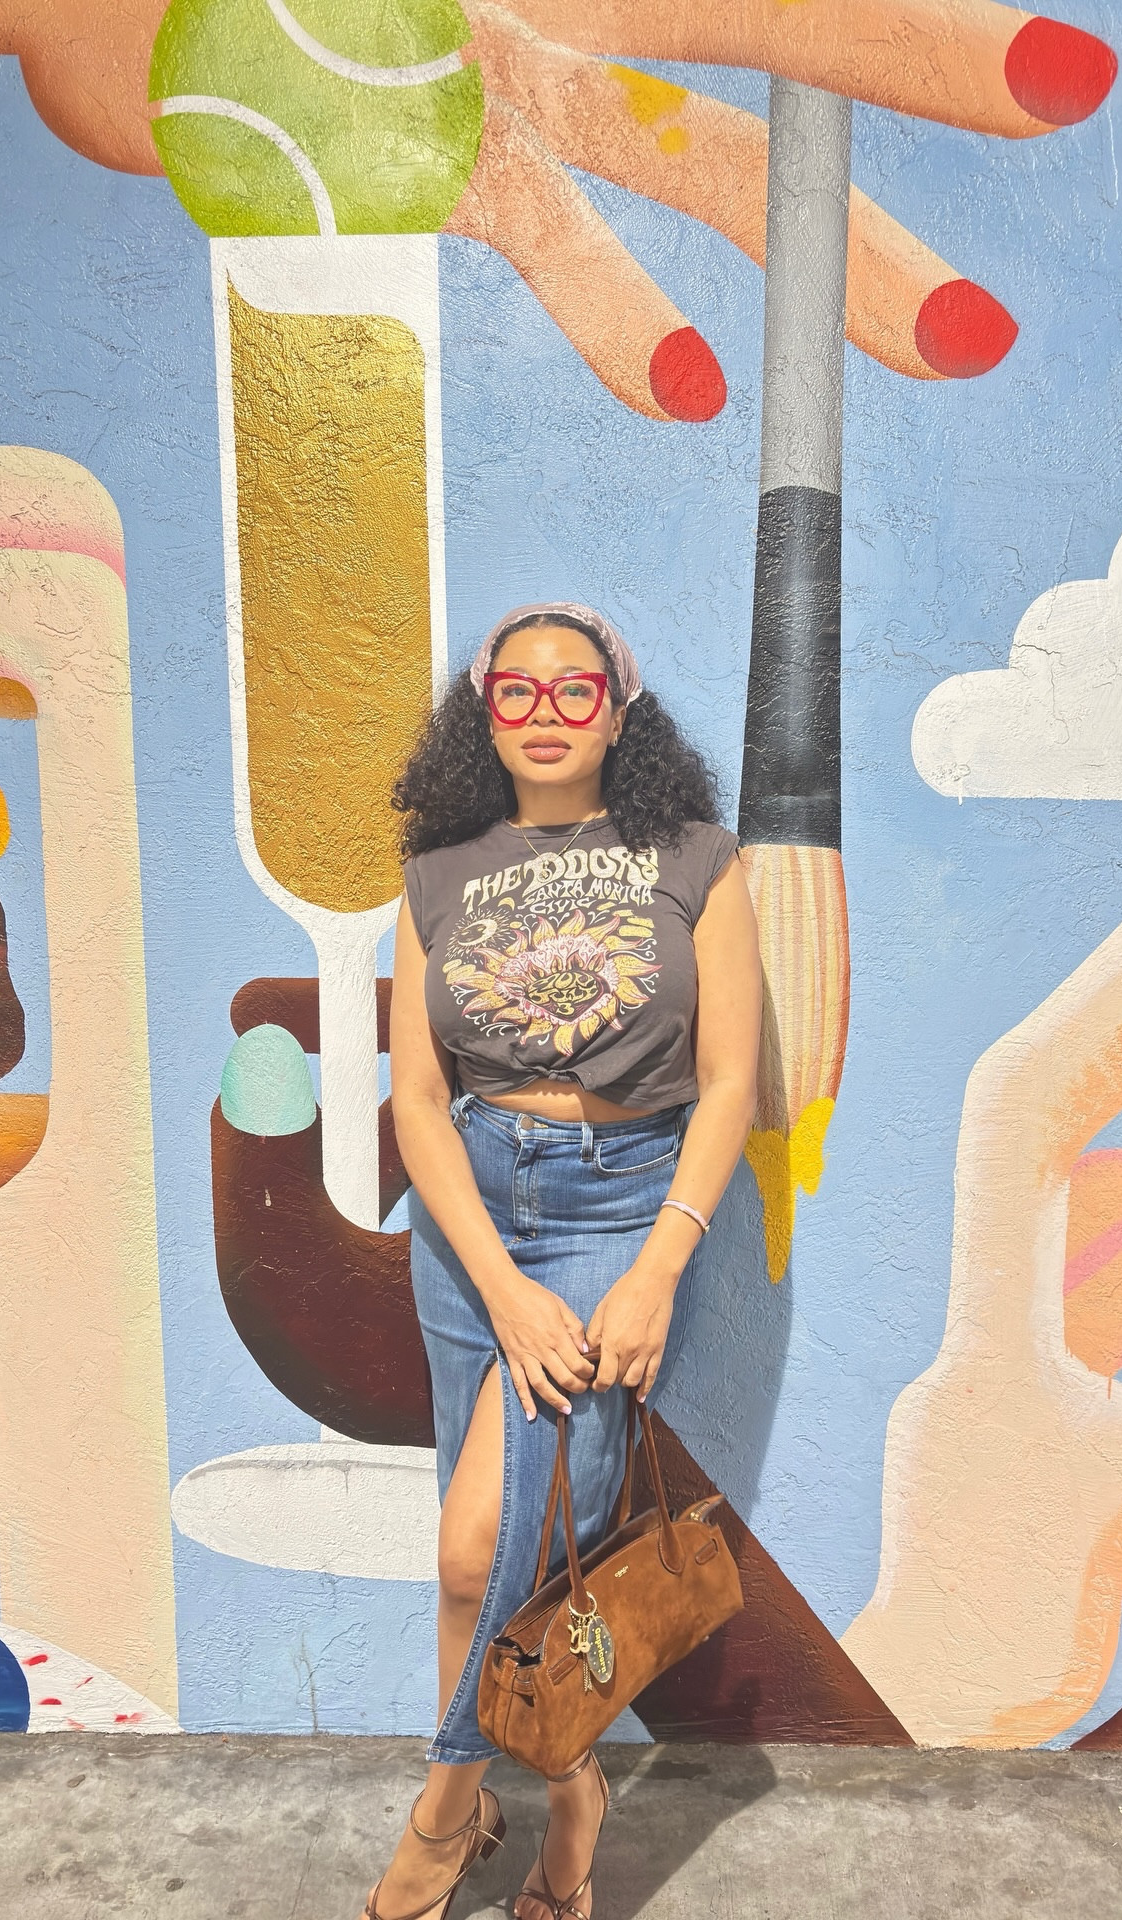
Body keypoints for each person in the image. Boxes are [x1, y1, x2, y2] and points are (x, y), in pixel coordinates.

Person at [364, 603, 761, 1920]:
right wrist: (496, 1280)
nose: (543, 712)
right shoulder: (438, 873)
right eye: (515, 692)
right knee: (482, 1551)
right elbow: (417, 1102)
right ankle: (569, 1794)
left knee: (492, 1546)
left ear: (619, 707)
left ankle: (445, 1812)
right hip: (471, 1216)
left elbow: (728, 1085)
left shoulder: (697, 858)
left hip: (620, 1212)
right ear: (482, 715)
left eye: (573, 690)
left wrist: (655, 1270)